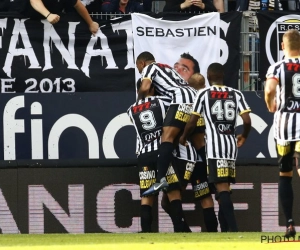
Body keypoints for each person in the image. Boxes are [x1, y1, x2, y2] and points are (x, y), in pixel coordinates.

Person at [179, 62, 251, 232]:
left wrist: (183, 137)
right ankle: (226, 230)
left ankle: (233, 229)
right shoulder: (236, 93)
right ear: (223, 76)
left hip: (214, 147)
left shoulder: (204, 94)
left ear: (209, 77)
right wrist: (244, 136)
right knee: (224, 188)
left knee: (221, 188)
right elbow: (247, 120)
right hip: (231, 146)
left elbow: (192, 121)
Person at [128, 79, 191, 232]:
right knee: (173, 192)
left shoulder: (131, 109)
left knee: (146, 196)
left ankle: (146, 233)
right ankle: (178, 229)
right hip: (161, 153)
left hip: (144, 155)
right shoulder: (163, 101)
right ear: (153, 88)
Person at [136, 51, 197, 197]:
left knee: (166, 137)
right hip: (193, 97)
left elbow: (144, 88)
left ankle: (160, 179)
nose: (139, 71)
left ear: (142, 63)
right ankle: (172, 174)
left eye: (138, 67)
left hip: (181, 98)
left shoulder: (149, 68)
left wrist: (139, 102)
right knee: (175, 139)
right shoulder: (168, 68)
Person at [264, 29, 300, 238]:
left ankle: (289, 224)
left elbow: (269, 90)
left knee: (284, 174)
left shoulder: (277, 67)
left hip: (284, 126)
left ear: (282, 46)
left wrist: (271, 104)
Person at [20, 0, 99, 35]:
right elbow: (34, 1)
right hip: (25, 20)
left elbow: (77, 5)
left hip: (49, 27)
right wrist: (48, 14)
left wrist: (90, 23)